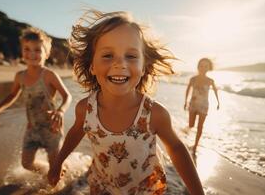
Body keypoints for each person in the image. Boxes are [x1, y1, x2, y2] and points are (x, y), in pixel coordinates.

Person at [48, 10, 204, 194]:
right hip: (102, 185)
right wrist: (58, 163)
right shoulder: (86, 109)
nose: (120, 63)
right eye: (108, 55)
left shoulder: (154, 114)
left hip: (145, 188)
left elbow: (177, 148)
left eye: (131, 56)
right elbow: (76, 132)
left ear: (144, 66)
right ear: (92, 65)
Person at [0, 27, 72, 174]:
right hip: (32, 128)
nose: (32, 53)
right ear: (22, 51)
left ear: (46, 54)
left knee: (55, 168)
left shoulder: (49, 75)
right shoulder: (19, 76)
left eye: (38, 50)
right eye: (27, 49)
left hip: (52, 129)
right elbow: (12, 95)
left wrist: (60, 111)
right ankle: (48, 170)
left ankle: (57, 172)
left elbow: (67, 96)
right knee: (26, 164)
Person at [184, 58, 220, 154]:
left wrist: (218, 102)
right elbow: (188, 90)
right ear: (198, 66)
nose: (203, 68)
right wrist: (185, 101)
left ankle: (195, 146)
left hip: (204, 105)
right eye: (201, 66)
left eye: (205, 66)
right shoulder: (193, 79)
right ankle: (186, 138)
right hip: (193, 104)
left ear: (209, 68)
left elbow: (216, 90)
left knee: (200, 126)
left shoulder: (210, 80)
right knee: (191, 125)